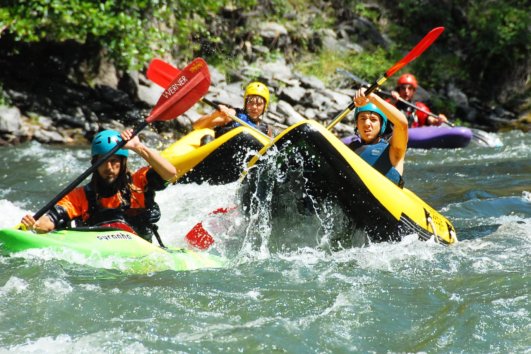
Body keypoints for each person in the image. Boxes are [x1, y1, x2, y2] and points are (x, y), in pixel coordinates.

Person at [20, 129, 177, 243]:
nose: (109, 167)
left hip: (142, 247)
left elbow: (170, 173)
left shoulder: (138, 182)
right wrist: (36, 226)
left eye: (114, 161)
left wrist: (138, 147)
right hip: (101, 251)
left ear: (123, 163)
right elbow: (51, 220)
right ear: (94, 164)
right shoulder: (79, 196)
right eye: (103, 161)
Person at [348, 88, 408, 187]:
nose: (367, 124)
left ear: (381, 125)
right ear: (357, 124)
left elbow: (402, 125)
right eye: (362, 118)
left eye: (373, 119)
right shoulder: (350, 149)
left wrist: (373, 98)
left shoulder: (393, 150)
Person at [192, 81, 272, 139]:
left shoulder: (266, 130)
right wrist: (214, 115)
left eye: (259, 104)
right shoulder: (232, 115)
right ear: (245, 103)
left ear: (264, 106)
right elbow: (197, 126)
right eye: (250, 102)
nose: (254, 107)